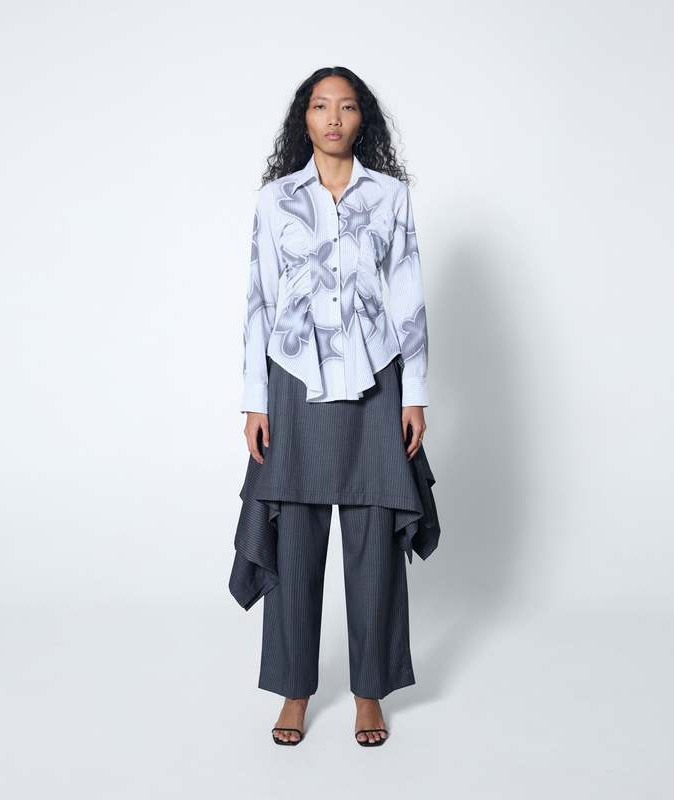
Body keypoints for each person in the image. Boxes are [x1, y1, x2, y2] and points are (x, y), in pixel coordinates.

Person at [229, 66, 441, 747]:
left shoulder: (390, 197)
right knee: (293, 539)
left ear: (361, 120)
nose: (333, 118)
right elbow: (260, 300)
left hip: (377, 382)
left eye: (346, 107)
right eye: (321, 106)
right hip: (294, 382)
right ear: (305, 118)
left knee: (375, 540)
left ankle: (369, 692)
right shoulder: (275, 200)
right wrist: (255, 401)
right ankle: (294, 691)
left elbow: (407, 294)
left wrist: (414, 392)